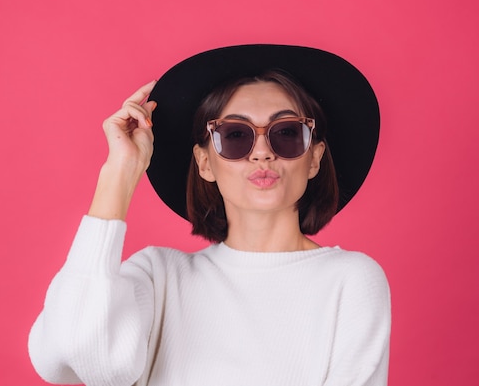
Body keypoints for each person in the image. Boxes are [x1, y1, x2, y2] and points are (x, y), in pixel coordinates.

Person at [28, 45, 391, 386]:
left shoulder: (350, 280)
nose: (262, 153)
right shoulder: (160, 278)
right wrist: (120, 172)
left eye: (287, 133)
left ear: (314, 158)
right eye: (235, 136)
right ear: (205, 162)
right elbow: (71, 354)